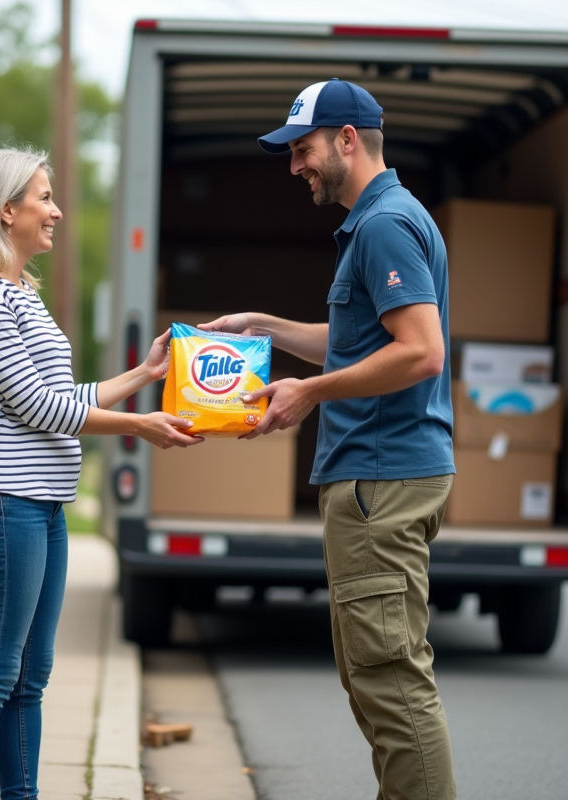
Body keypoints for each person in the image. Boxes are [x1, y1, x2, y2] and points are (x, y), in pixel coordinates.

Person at [201, 79, 457, 800]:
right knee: (374, 678)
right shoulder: (381, 221)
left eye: (302, 149)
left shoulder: (383, 226)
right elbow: (354, 342)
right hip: (382, 475)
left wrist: (308, 393)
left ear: (348, 139)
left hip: (381, 477)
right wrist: (262, 327)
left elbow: (421, 351)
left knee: (391, 683)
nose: (294, 167)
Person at [0, 146, 200, 800]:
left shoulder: (20, 292)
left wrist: (144, 375)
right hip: (4, 503)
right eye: (44, 197)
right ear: (6, 210)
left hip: (42, 504)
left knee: (28, 680)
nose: (56, 211)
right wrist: (139, 426)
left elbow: (61, 394)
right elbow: (39, 407)